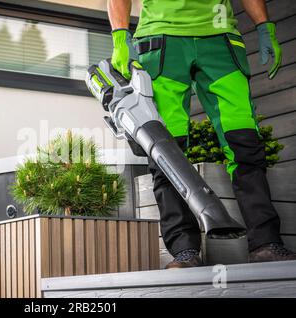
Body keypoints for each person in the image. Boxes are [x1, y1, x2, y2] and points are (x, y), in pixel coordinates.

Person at [107, 0, 296, 269]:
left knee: (245, 143)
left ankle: (266, 243)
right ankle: (184, 250)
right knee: (166, 152)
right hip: (162, 41)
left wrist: (265, 26)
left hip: (220, 41)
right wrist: (120, 36)